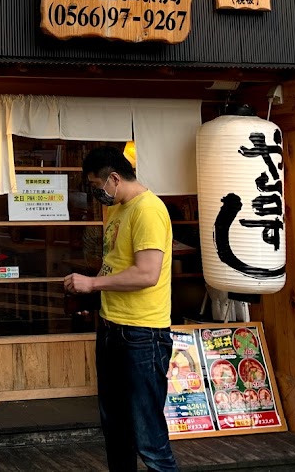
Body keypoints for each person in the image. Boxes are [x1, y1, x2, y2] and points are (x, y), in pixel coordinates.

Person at [63, 146, 177, 472]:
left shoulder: (148, 210)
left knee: (149, 438)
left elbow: (147, 273)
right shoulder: (119, 210)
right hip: (112, 327)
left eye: (97, 185)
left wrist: (92, 285)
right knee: (116, 431)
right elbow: (113, 267)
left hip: (143, 334)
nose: (96, 192)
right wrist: (89, 292)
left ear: (114, 178)